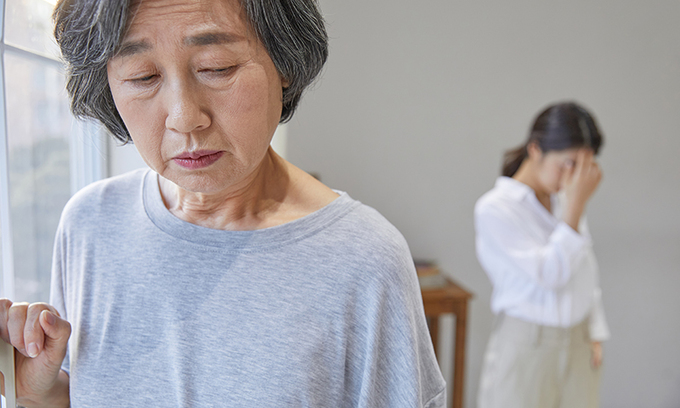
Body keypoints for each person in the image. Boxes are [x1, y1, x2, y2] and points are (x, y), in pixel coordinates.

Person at [0, 0, 446, 406]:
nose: (184, 117)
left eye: (216, 67)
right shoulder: (90, 224)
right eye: (143, 77)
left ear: (284, 63)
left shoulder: (364, 260)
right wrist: (38, 394)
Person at [474, 102, 610, 408]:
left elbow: (585, 268)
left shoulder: (564, 202)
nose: (574, 176)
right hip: (528, 345)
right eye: (568, 162)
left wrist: (595, 330)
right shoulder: (496, 208)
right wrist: (575, 209)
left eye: (584, 166)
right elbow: (549, 274)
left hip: (579, 343)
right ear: (535, 149)